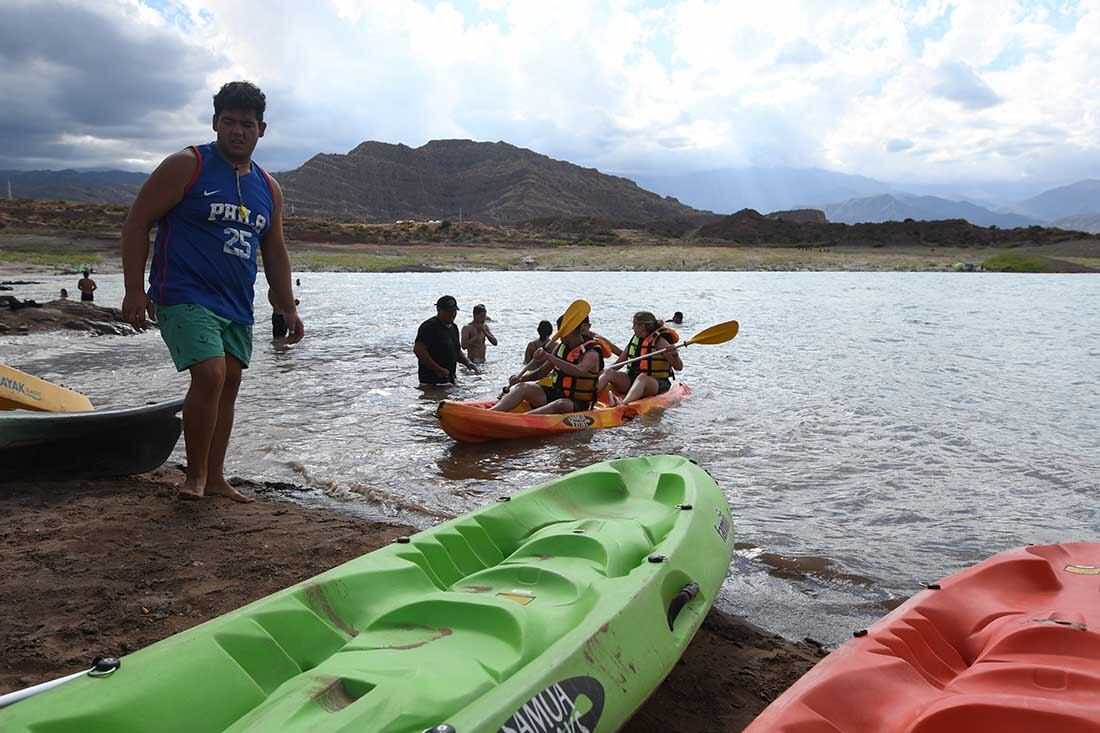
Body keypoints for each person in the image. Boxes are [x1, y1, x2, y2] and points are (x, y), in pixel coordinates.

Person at [121, 81, 303, 503]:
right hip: (182, 292)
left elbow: (274, 251)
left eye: (246, 124)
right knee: (210, 373)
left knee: (230, 384)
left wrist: (288, 307)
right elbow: (136, 222)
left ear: (262, 129)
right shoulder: (188, 165)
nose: (237, 131)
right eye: (228, 122)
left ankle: (217, 477)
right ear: (215, 123)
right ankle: (194, 477)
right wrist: (134, 290)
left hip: (235, 303)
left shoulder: (269, 188)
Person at [493, 317, 604, 414]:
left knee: (561, 404)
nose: (558, 335)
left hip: (580, 403)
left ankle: (524, 418)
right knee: (523, 387)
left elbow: (577, 370)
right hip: (556, 393)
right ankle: (492, 412)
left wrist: (548, 356)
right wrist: (521, 379)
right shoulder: (560, 348)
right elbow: (542, 372)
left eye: (561, 331)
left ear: (571, 330)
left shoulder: (592, 353)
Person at [597, 311, 683, 404]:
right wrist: (601, 372)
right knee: (609, 372)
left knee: (642, 377)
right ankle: (589, 395)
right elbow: (619, 363)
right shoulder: (636, 339)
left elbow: (679, 367)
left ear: (641, 326)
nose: (632, 328)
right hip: (632, 379)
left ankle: (623, 404)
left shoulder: (660, 342)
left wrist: (675, 355)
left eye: (634, 325)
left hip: (656, 383)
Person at [415, 295, 477, 386]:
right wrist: (437, 369)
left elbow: (457, 350)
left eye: (454, 311)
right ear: (439, 310)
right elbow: (418, 350)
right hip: (431, 382)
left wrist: (467, 362)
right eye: (449, 311)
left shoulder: (454, 327)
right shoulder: (429, 326)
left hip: (449, 379)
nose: (452, 314)